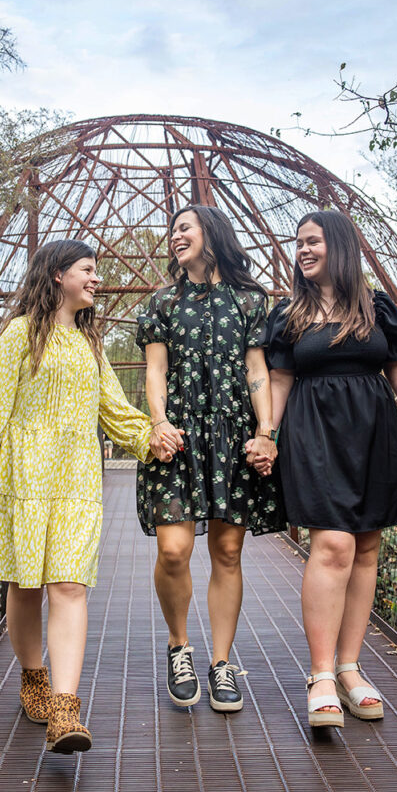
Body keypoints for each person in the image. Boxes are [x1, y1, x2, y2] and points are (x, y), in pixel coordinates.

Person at [0, 240, 168, 754]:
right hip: (24, 478)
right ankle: (34, 677)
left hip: (77, 480)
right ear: (57, 275)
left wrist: (153, 437)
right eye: (87, 270)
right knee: (26, 584)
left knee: (70, 585)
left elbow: (115, 410)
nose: (97, 279)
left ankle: (64, 709)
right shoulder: (19, 335)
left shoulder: (88, 345)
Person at [262, 210, 397, 728]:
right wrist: (267, 436)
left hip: (374, 432)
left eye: (312, 241)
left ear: (337, 245)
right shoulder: (290, 314)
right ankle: (319, 676)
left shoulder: (375, 307)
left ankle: (349, 668)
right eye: (298, 244)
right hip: (314, 433)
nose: (303, 250)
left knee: (366, 545)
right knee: (333, 543)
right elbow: (279, 382)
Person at [136, 205, 285, 713]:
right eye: (173, 230)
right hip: (176, 433)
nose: (175, 236)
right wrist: (157, 421)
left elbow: (256, 369)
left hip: (230, 433)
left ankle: (222, 662)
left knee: (227, 551)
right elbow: (155, 370)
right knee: (174, 549)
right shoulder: (161, 301)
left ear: (211, 233)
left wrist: (265, 432)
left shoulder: (249, 299)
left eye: (184, 228)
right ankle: (179, 646)